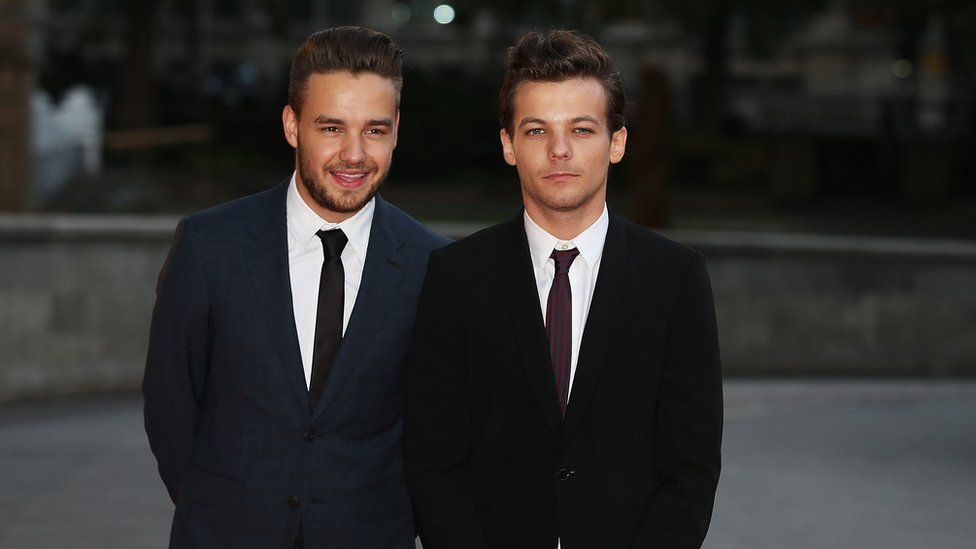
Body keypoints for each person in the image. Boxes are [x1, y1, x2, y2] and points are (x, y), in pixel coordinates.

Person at [406, 30, 722, 548]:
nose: (559, 150)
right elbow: (432, 461)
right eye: (536, 131)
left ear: (616, 142)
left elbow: (691, 469)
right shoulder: (456, 275)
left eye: (581, 129)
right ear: (508, 144)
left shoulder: (675, 279)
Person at [143, 26, 447, 548]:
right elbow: (171, 397)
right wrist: (211, 503)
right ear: (292, 125)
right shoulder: (209, 244)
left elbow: (443, 430)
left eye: (374, 130)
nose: (354, 154)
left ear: (396, 129)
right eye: (331, 128)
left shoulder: (434, 264)